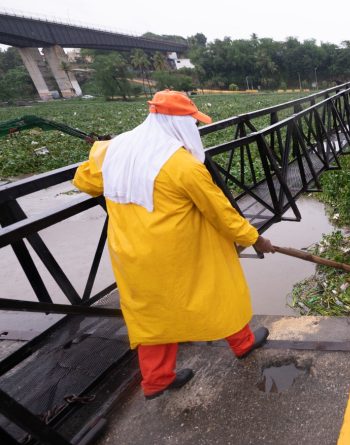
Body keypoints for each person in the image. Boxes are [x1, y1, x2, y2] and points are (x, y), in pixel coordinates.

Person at [73, 90, 275, 400]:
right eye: (192, 123)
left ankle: (156, 380)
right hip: (181, 252)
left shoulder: (113, 150)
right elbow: (222, 214)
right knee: (218, 290)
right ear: (177, 124)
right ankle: (243, 344)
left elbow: (85, 181)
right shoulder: (183, 166)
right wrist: (255, 238)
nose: (194, 129)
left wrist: (118, 166)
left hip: (130, 253)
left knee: (152, 315)